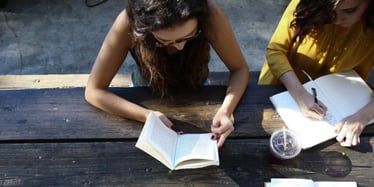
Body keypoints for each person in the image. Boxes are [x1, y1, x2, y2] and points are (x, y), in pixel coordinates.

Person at [85, 0, 249, 147]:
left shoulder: (210, 13)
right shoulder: (128, 22)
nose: (180, 47)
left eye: (189, 36)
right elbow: (94, 91)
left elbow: (239, 69)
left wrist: (226, 110)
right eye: (164, 41)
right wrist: (146, 115)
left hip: (198, 87)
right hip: (144, 91)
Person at [258, 0, 374, 147]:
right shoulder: (305, 4)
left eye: (349, 11)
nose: (337, 20)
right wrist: (300, 95)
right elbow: (275, 51)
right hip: (280, 88)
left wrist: (362, 117)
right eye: (330, 11)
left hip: (342, 106)